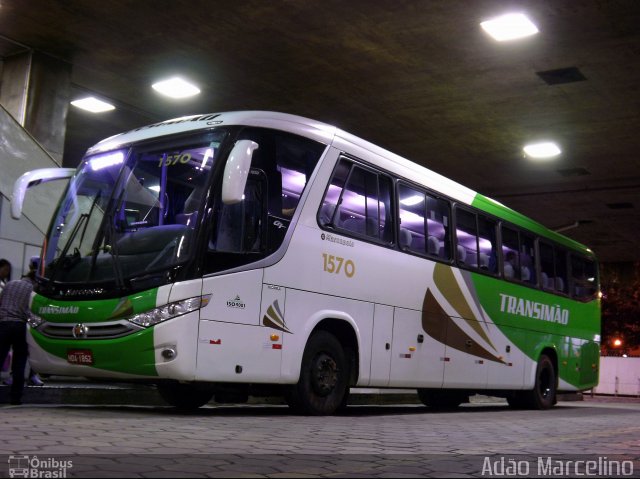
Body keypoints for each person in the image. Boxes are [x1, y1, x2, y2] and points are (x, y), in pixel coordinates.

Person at [0, 272, 36, 405]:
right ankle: (15, 398)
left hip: (3, 324)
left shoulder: (9, 284)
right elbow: (30, 312)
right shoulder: (31, 290)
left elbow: (1, 302)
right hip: (20, 326)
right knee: (19, 362)